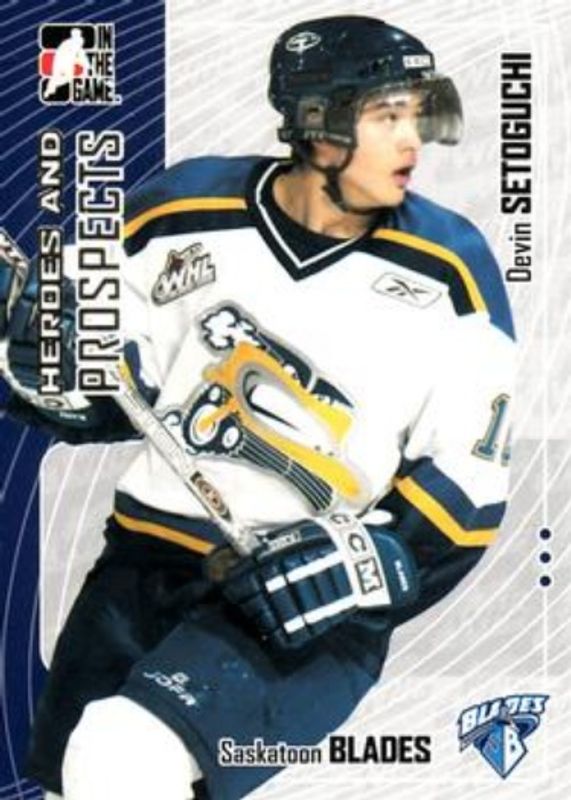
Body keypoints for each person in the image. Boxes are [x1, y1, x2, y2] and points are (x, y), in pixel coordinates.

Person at [0, 15, 515, 800]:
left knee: (119, 757)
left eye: (415, 115)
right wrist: (39, 360)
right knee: (78, 782)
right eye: (387, 117)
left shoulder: (451, 269)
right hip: (139, 568)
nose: (413, 140)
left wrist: (371, 558)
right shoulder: (176, 208)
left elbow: (468, 476)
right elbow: (103, 394)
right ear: (315, 121)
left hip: (302, 599)